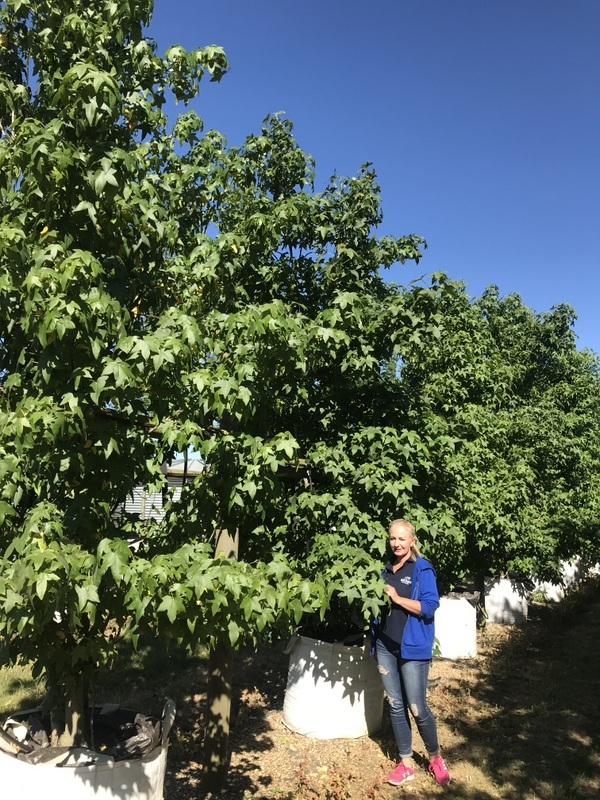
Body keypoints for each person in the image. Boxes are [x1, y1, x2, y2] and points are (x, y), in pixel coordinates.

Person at [374, 518, 451, 786]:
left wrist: (397, 598)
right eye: (392, 538)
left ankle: (435, 757)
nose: (396, 543)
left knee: (417, 706)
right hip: (385, 644)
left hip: (412, 647)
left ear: (412, 541)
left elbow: (430, 606)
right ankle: (406, 762)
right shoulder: (384, 568)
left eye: (401, 539)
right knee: (395, 704)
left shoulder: (422, 569)